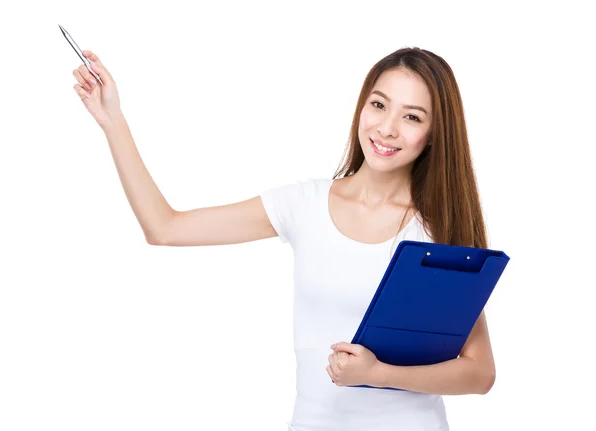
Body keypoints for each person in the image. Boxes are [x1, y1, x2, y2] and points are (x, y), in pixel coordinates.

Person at [72, 46, 496, 431]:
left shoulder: (439, 230)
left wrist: (378, 375)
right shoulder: (304, 205)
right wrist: (113, 121)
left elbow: (479, 373)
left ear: (434, 133)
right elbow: (164, 228)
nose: (386, 128)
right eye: (379, 105)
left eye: (411, 116)